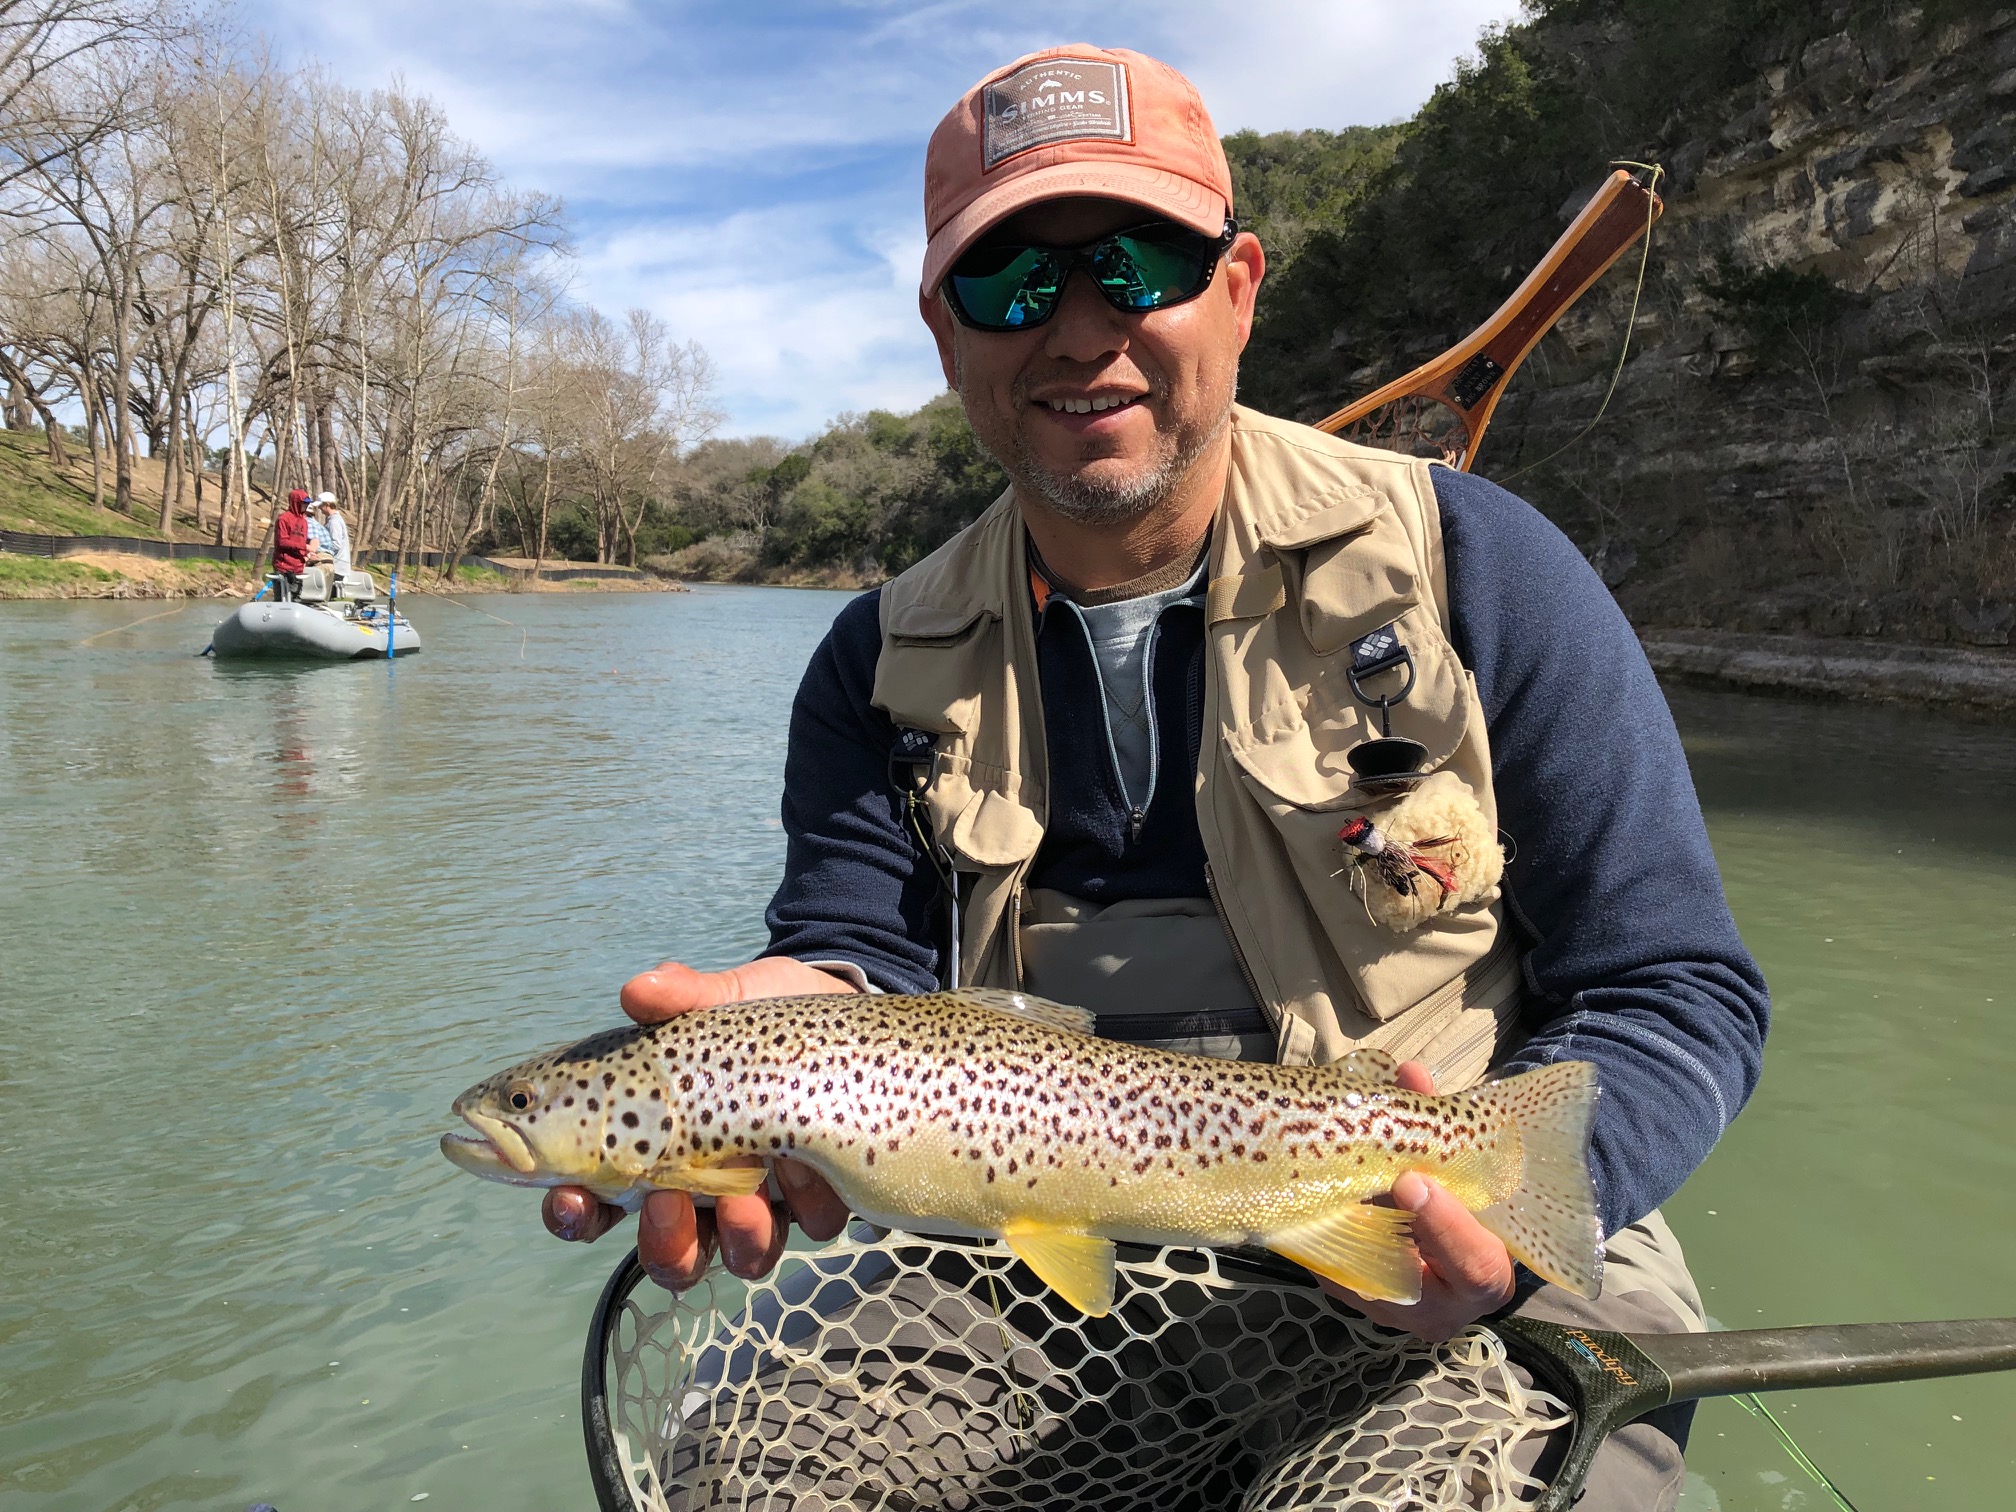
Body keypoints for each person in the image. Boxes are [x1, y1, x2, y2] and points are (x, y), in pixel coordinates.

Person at [541, 45, 1769, 1509]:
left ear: (1238, 289)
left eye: (1136, 266)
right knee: (754, 1475)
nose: (1077, 330)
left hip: (1436, 1230)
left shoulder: (1481, 568)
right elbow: (857, 956)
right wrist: (800, 1021)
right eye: (1009, 287)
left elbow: (1678, 987)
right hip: (1025, 1261)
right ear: (946, 337)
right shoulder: (874, 661)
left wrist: (1526, 1211)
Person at [271, 489, 311, 601]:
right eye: (304, 503)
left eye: (307, 503)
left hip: (298, 567)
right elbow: (282, 542)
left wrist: (306, 554)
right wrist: (304, 547)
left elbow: (301, 541)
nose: (306, 506)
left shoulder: (304, 522)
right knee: (281, 599)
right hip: (283, 566)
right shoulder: (283, 519)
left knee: (296, 599)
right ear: (296, 502)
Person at [313, 492, 351, 575]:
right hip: (337, 568)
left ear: (327, 504)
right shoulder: (333, 520)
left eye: (321, 505)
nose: (319, 508)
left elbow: (336, 545)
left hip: (337, 569)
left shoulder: (334, 522)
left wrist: (317, 549)